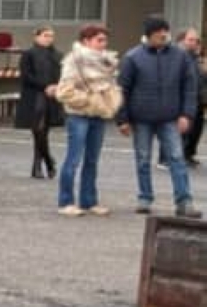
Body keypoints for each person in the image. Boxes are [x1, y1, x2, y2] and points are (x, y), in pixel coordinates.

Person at [116, 16, 200, 217]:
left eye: (165, 31)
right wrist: (122, 119)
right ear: (148, 35)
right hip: (141, 118)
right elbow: (122, 90)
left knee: (177, 158)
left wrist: (187, 115)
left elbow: (189, 88)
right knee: (143, 159)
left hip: (170, 117)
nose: (163, 35)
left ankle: (184, 201)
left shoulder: (180, 56)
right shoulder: (133, 57)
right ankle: (144, 198)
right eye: (158, 32)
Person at [53, 25, 120, 217]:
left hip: (98, 114)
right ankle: (66, 202)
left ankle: (89, 200)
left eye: (105, 40)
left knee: (92, 160)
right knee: (73, 159)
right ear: (86, 41)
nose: (103, 44)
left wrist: (110, 101)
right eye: (99, 40)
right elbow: (64, 91)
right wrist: (89, 100)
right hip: (79, 115)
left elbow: (111, 86)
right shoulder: (74, 60)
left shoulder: (107, 61)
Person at [16, 26, 62, 179]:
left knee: (44, 132)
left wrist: (56, 86)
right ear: (36, 37)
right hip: (34, 96)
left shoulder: (57, 55)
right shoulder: (28, 54)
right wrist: (44, 86)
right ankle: (48, 161)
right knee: (38, 131)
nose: (49, 39)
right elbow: (26, 76)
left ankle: (37, 167)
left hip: (51, 97)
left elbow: (61, 74)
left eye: (51, 36)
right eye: (45, 35)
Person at [182, 27, 205, 167]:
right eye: (190, 40)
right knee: (187, 130)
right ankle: (182, 155)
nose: (193, 43)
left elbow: (201, 78)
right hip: (187, 99)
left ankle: (189, 154)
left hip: (199, 99)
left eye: (196, 40)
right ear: (184, 40)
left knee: (197, 129)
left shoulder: (197, 58)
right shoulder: (180, 56)